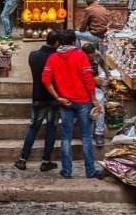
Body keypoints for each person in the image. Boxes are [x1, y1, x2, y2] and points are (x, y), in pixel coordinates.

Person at [41, 30, 104, 179]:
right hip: (82, 101)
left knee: (66, 137)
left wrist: (57, 97)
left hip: (66, 102)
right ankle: (90, 171)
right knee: (86, 136)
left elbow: (45, 80)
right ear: (73, 41)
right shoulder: (80, 56)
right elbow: (88, 80)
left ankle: (67, 171)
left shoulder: (53, 58)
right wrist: (94, 100)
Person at [14, 30, 60, 171]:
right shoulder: (57, 58)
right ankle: (46, 161)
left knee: (33, 127)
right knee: (51, 128)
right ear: (57, 43)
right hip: (54, 98)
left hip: (38, 97)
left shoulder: (33, 56)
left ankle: (23, 159)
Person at [82, 43, 108, 147]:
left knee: (100, 103)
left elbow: (103, 70)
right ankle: (86, 132)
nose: (92, 58)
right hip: (82, 87)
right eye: (90, 56)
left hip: (94, 87)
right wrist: (93, 80)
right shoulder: (79, 60)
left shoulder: (96, 58)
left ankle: (99, 133)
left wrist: (103, 79)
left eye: (93, 55)